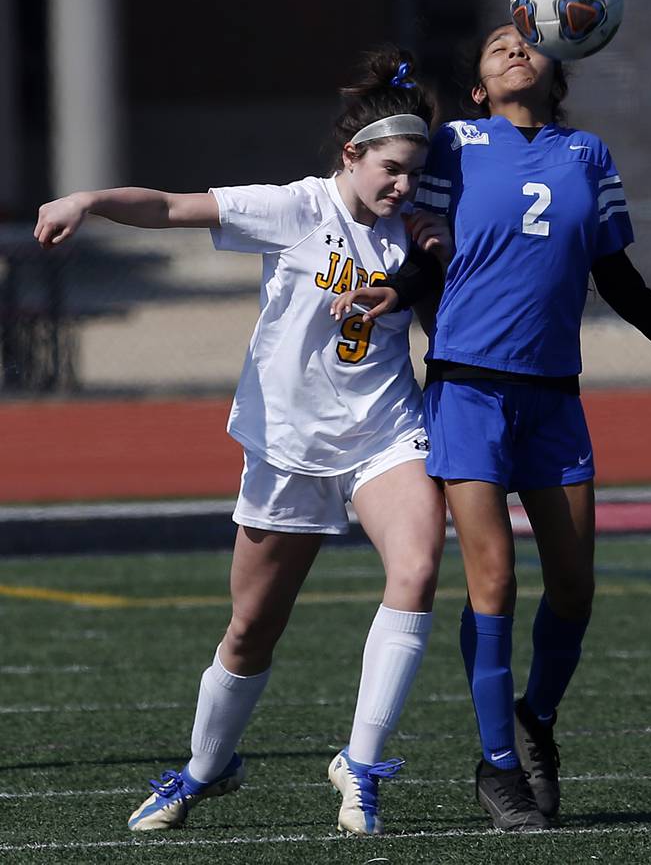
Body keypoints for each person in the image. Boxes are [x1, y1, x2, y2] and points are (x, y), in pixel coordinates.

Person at [330, 23, 651, 833]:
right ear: (481, 88)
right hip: (468, 392)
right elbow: (430, 247)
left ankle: (535, 722)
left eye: (527, 44)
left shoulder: (586, 155)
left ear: (558, 69)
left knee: (573, 586)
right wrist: (395, 285)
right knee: (495, 584)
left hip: (554, 398)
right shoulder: (454, 143)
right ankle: (496, 772)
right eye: (496, 47)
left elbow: (617, 275)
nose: (515, 49)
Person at [34, 49, 452, 837]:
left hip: (385, 436)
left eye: (414, 172)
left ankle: (360, 765)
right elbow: (168, 206)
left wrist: (436, 256)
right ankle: (204, 768)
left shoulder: (416, 233)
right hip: (288, 449)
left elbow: (450, 323)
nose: (403, 185)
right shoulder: (295, 207)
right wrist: (85, 197)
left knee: (419, 565)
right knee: (251, 628)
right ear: (351, 156)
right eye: (391, 169)